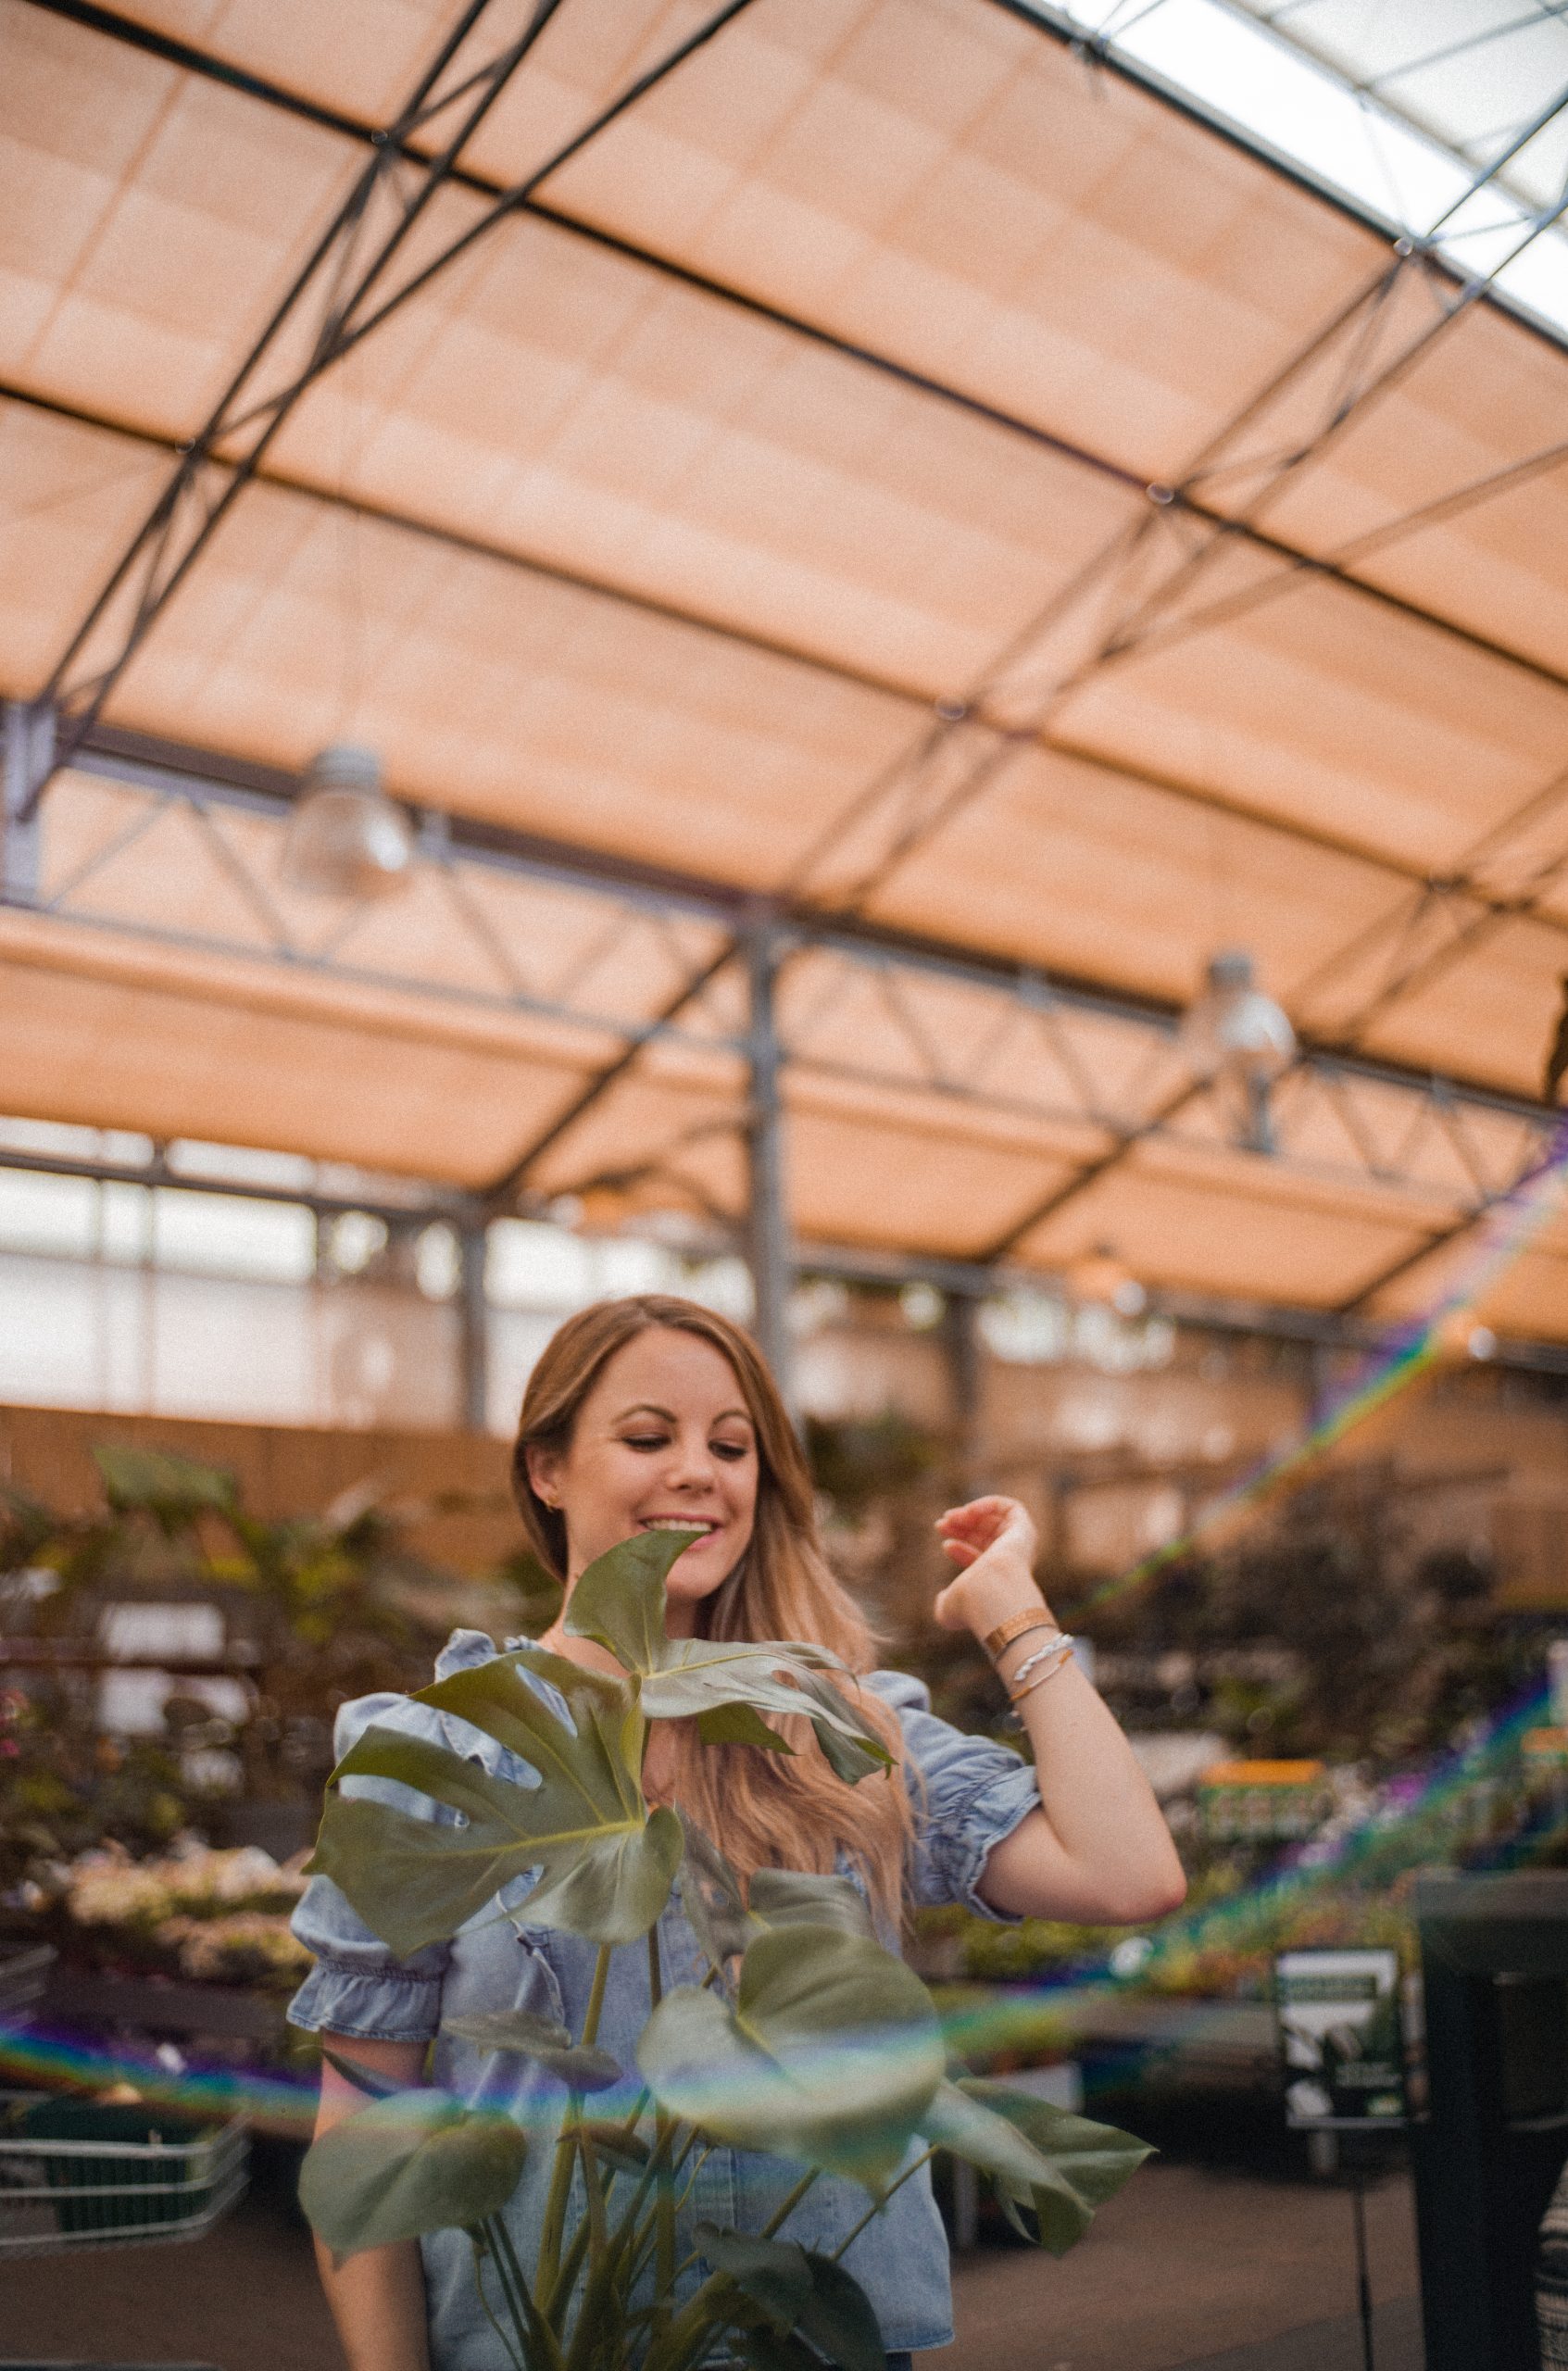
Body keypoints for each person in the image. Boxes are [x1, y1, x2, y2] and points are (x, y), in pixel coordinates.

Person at [288, 1294, 1185, 2369]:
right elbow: (369, 2123)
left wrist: (1011, 1610)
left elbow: (1128, 1874)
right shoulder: (439, 1758)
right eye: (646, 1436)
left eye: (731, 1444)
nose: (698, 1471)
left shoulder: (839, 1731)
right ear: (547, 1469)